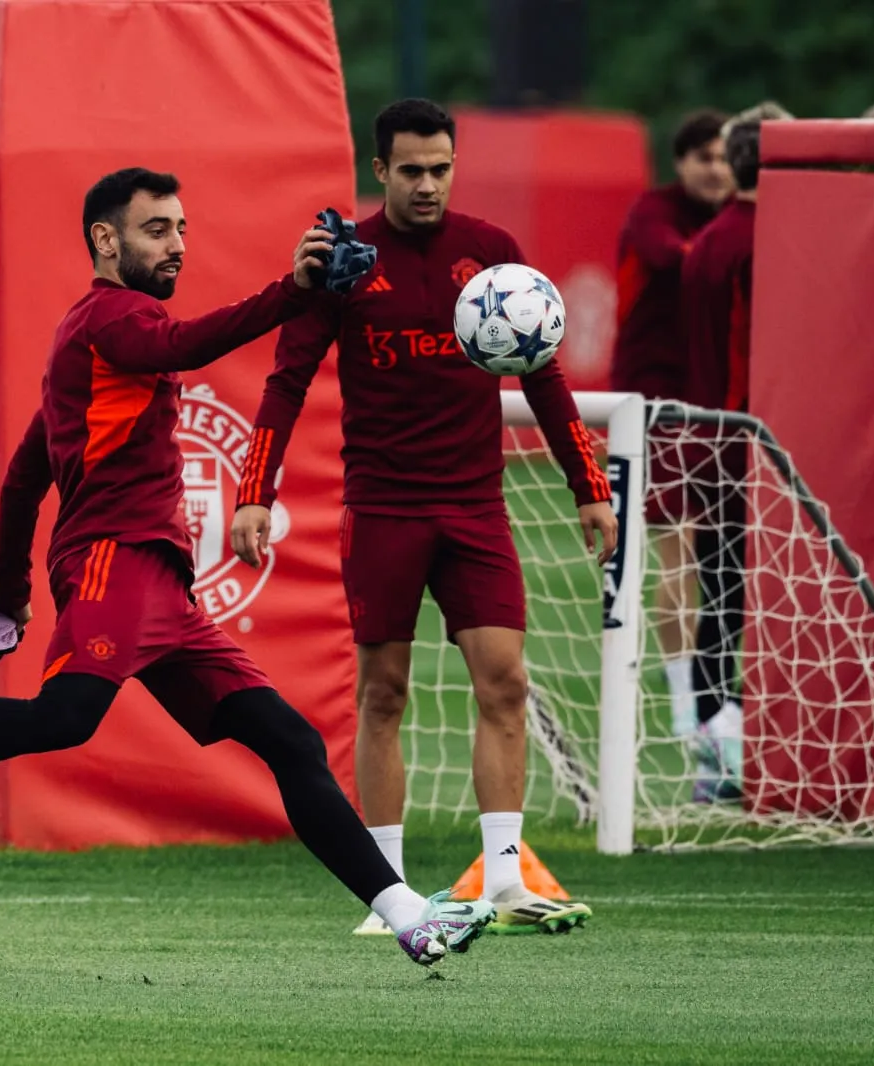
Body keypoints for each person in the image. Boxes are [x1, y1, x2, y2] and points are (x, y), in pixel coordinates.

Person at [0, 167, 494, 967]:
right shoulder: (112, 318)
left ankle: (408, 916)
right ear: (105, 239)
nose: (178, 244)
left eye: (183, 229)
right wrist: (290, 292)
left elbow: (22, 477)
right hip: (111, 564)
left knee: (288, 739)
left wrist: (11, 597)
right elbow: (181, 342)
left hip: (161, 584)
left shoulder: (90, 344)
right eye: (158, 229)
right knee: (65, 719)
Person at [230, 100, 616, 936]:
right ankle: (390, 891)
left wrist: (589, 482)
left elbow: (543, 375)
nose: (429, 184)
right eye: (411, 170)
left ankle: (507, 879)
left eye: (441, 168)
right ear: (381, 170)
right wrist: (254, 491)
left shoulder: (493, 257)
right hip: (383, 510)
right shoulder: (345, 264)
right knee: (384, 693)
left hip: (476, 506)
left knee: (505, 682)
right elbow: (286, 380)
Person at [609, 109, 734, 745]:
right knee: (679, 552)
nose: (716, 169)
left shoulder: (738, 216)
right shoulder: (654, 212)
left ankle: (721, 705)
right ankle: (691, 715)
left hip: (719, 407)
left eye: (723, 157)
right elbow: (678, 259)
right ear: (681, 163)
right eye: (704, 157)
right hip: (654, 413)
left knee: (729, 558)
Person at [681, 102, 793, 802]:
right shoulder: (774, 241)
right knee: (776, 607)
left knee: (718, 605)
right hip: (762, 447)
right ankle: (774, 760)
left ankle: (711, 762)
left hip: (708, 446)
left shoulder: (707, 243)